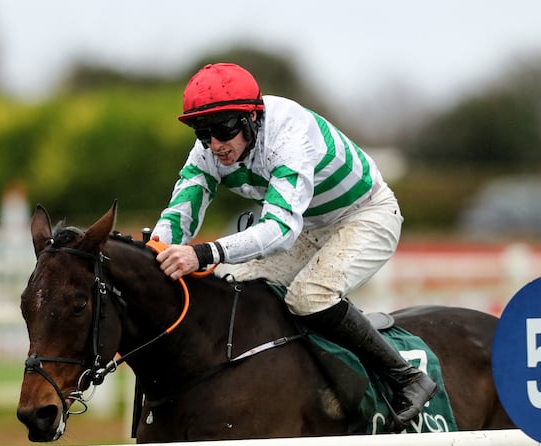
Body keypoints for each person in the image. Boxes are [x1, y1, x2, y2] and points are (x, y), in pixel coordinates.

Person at [151, 63, 437, 427]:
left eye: (223, 129)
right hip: (309, 226)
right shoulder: (208, 149)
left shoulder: (289, 133)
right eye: (203, 133)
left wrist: (204, 253)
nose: (215, 145)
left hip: (365, 215)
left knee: (309, 297)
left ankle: (406, 376)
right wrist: (156, 249)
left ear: (252, 118)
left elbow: (279, 229)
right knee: (231, 285)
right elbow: (180, 211)